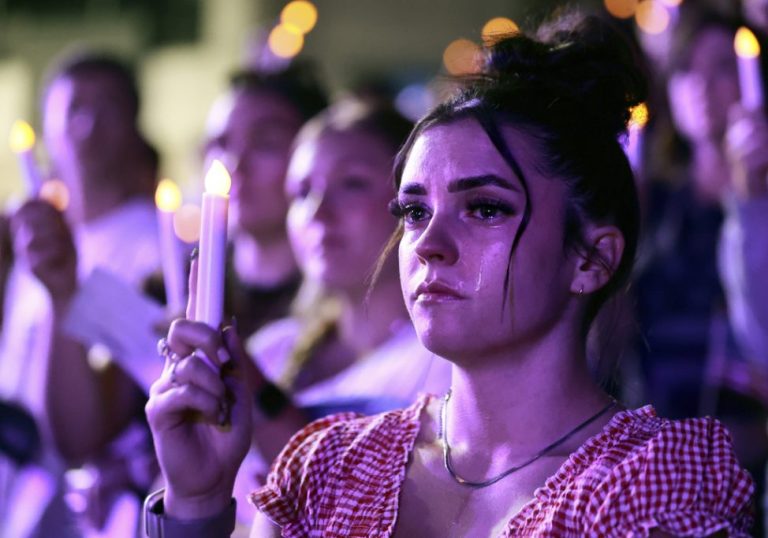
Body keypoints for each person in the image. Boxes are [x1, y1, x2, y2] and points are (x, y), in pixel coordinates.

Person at [144, 10, 754, 537]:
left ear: (591, 259)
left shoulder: (649, 482)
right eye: (413, 211)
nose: (429, 244)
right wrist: (196, 503)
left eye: (485, 208)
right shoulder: (326, 466)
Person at [2, 52, 161, 537]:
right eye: (73, 109)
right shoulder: (33, 234)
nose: (88, 126)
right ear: (47, 127)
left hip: (86, 501)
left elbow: (103, 415)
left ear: (134, 123)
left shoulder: (154, 247)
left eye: (108, 108)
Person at [202, 64, 328, 339]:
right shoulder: (174, 289)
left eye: (265, 144)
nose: (234, 165)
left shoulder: (336, 310)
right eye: (221, 144)